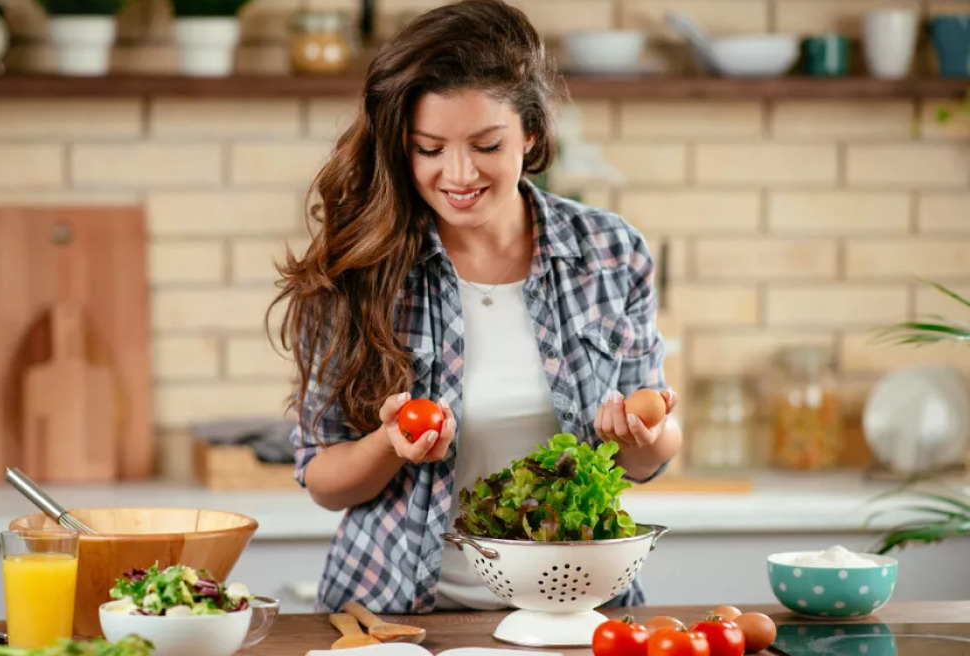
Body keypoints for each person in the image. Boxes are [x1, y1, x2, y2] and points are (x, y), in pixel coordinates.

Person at [268, 0, 682, 615]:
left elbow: (649, 454)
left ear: (532, 133)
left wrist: (644, 434)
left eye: (486, 144)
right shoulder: (360, 268)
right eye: (428, 149)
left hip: (576, 612)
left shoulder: (609, 250)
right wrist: (389, 442)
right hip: (398, 617)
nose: (458, 174)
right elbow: (323, 480)